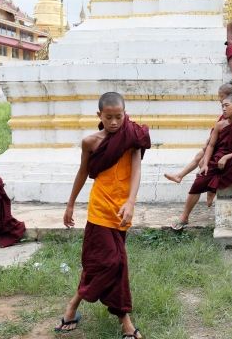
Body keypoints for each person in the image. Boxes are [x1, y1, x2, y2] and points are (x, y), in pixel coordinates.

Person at [57, 92, 150, 338]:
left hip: (123, 210)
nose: (114, 122)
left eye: (119, 116)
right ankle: (124, 320)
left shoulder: (132, 136)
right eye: (108, 117)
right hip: (99, 207)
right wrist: (70, 205)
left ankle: (74, 305)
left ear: (125, 113)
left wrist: (130, 202)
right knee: (113, 262)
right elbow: (82, 173)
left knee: (105, 263)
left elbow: (137, 169)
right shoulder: (90, 142)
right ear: (99, 115)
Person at [172, 95, 232, 230]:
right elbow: (211, 146)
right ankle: (185, 216)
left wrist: (227, 157)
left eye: (226, 105)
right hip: (216, 159)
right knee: (199, 182)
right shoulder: (220, 125)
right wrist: (205, 164)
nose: (223, 109)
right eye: (222, 106)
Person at [164, 83, 232, 187]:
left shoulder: (231, 113)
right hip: (214, 143)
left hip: (221, 148)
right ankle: (180, 176)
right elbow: (215, 131)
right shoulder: (225, 112)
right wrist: (208, 142)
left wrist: (209, 146)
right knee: (199, 156)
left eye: (221, 96)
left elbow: (223, 134)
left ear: (230, 95)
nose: (219, 99)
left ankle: (201, 185)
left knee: (202, 161)